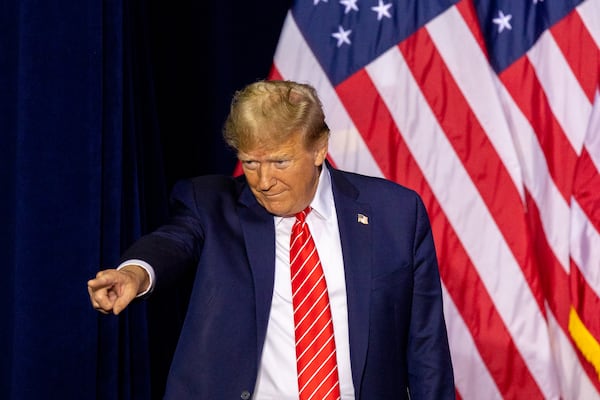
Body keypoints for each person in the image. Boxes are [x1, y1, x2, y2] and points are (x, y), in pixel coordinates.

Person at [87, 79, 455, 399]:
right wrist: (136, 273)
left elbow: (426, 347)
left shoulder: (395, 213)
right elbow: (173, 242)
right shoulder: (213, 207)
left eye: (279, 162)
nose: (263, 181)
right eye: (250, 163)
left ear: (319, 148)